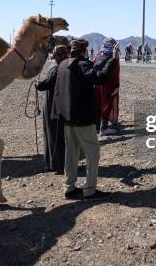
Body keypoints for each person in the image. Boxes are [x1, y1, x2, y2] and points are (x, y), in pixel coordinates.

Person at [51, 38, 119, 200]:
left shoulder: (62, 65)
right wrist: (113, 59)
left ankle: (69, 187)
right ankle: (89, 190)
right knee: (93, 152)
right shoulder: (82, 64)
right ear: (83, 51)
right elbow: (100, 77)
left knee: (71, 153)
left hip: (67, 117)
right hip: (82, 118)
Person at [35, 45, 69, 174]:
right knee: (56, 134)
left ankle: (53, 163)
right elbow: (48, 83)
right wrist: (40, 84)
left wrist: (38, 84)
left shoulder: (55, 67)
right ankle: (58, 164)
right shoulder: (58, 68)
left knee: (52, 133)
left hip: (52, 105)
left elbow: (46, 84)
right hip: (55, 105)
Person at [95, 38, 121, 136]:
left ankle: (97, 126)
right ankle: (104, 127)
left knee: (98, 104)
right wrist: (116, 85)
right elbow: (115, 72)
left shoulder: (98, 54)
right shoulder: (113, 56)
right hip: (107, 84)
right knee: (106, 104)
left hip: (97, 84)